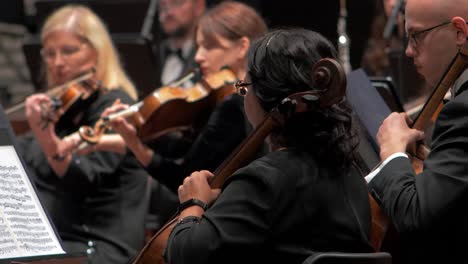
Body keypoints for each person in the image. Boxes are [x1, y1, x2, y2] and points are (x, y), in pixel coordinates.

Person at [162, 28, 374, 264]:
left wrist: (193, 205)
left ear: (267, 95)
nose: (244, 95)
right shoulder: (351, 175)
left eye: (246, 86)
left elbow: (184, 256)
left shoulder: (263, 181)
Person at [16, 5, 149, 264]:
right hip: (62, 243)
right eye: (49, 54)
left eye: (69, 51)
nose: (57, 63)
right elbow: (29, 156)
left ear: (98, 53)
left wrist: (46, 138)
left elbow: (81, 179)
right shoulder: (61, 109)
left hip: (101, 247)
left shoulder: (116, 107)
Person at [366, 0, 468, 262]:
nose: (409, 51)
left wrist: (392, 153)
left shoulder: (462, 111)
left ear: (460, 32)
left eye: (416, 36)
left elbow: (416, 217)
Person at [153, 0, 206, 91]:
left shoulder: (210, 55)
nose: (168, 12)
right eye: (162, 6)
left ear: (199, 5)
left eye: (177, 2)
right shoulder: (153, 53)